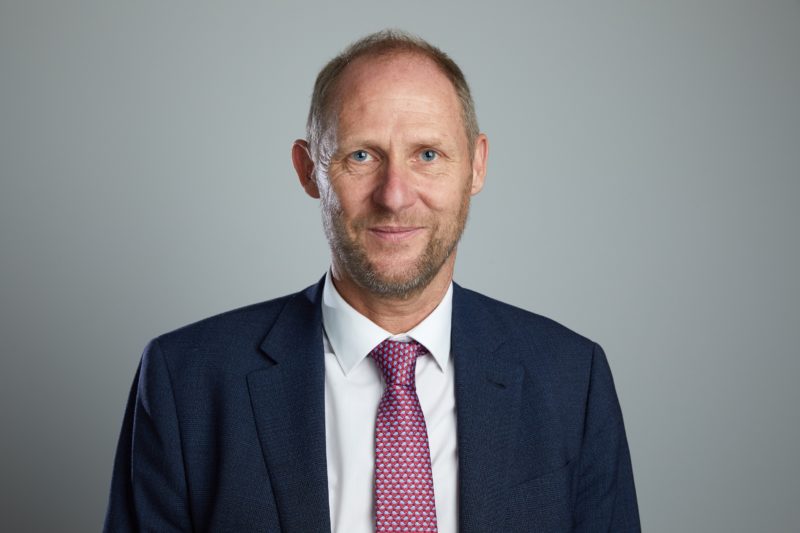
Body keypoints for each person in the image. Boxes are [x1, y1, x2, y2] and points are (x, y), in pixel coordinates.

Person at [104, 30, 640, 533]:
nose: (395, 195)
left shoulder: (572, 379)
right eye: (361, 156)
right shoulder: (185, 382)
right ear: (308, 169)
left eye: (427, 155)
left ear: (475, 167)